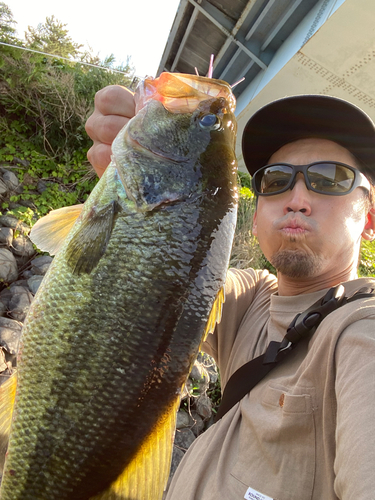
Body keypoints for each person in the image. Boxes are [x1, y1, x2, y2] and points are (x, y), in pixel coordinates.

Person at [85, 87, 375, 500]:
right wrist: (136, 186)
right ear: (255, 219)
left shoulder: (362, 332)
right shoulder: (253, 299)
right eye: (276, 181)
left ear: (369, 216)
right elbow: (164, 270)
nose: (297, 199)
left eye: (329, 179)